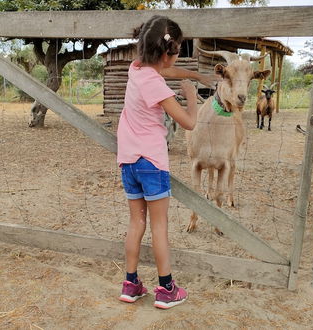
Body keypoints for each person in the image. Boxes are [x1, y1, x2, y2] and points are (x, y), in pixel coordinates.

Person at [116, 15, 217, 309]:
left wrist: (195, 75)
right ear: (167, 53)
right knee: (159, 227)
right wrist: (191, 96)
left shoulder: (137, 70)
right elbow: (187, 122)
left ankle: (130, 284)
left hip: (129, 163)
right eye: (178, 51)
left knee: (137, 222)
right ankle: (167, 289)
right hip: (152, 163)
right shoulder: (158, 88)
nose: (178, 57)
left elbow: (164, 71)